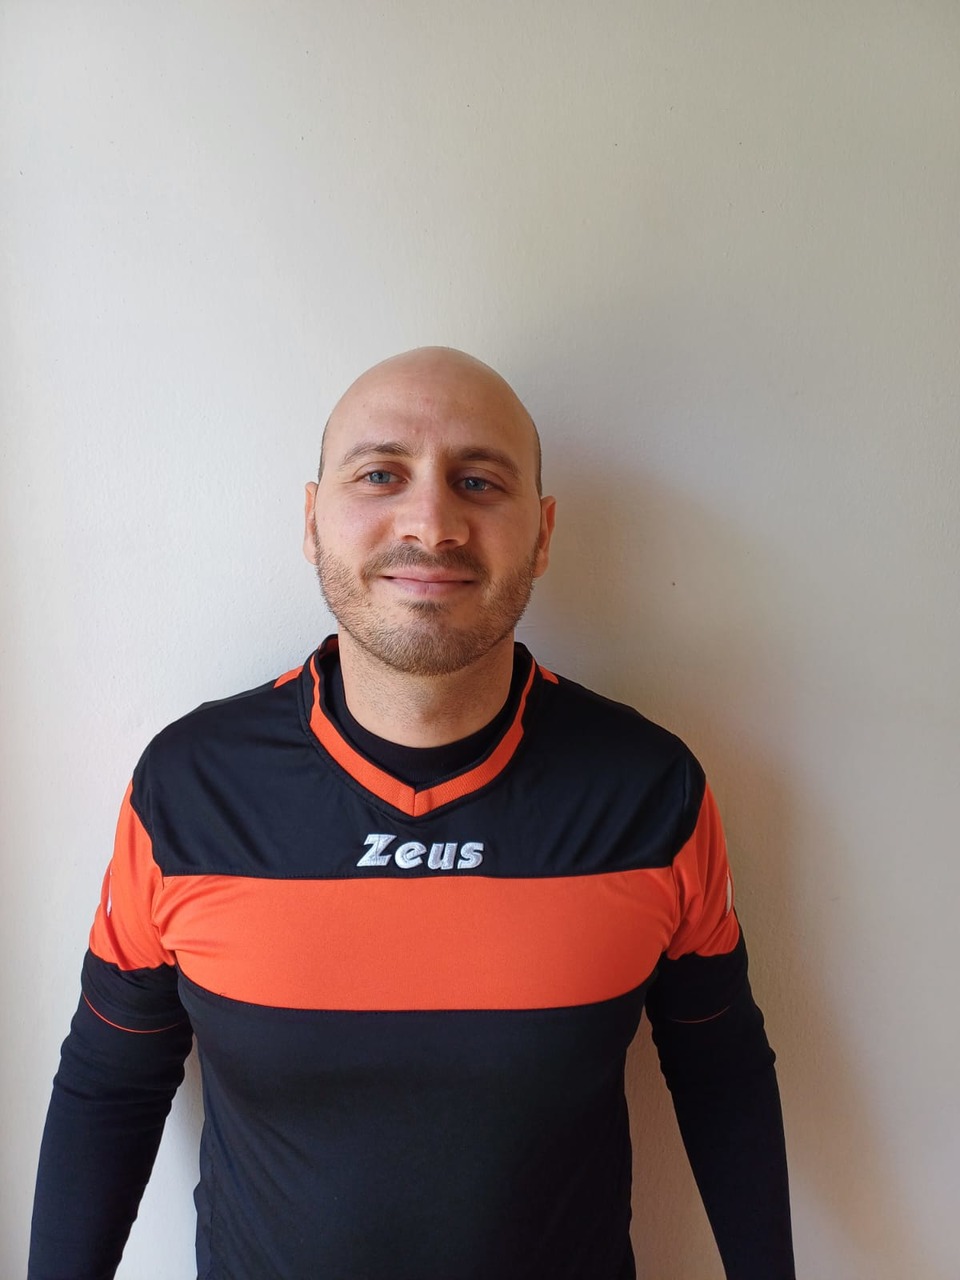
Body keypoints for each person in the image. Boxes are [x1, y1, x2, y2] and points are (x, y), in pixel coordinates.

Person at [29, 347, 795, 1280]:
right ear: (312, 520)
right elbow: (111, 1080)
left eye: (478, 481)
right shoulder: (188, 791)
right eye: (380, 475)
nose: (432, 524)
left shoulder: (650, 792)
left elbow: (720, 1069)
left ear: (542, 534)